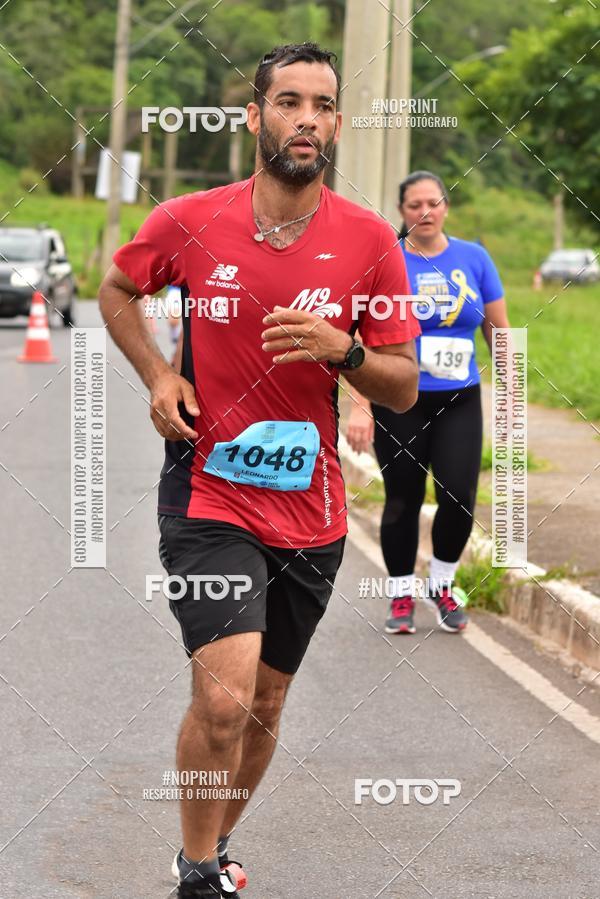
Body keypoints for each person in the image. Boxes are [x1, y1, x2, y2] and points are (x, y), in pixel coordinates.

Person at [99, 43, 420, 899]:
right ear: (255, 117)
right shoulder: (190, 220)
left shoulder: (370, 242)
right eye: (289, 102)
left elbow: (403, 383)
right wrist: (159, 373)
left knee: (267, 703)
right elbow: (118, 289)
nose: (306, 119)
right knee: (225, 696)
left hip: (311, 509)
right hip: (208, 491)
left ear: (337, 125)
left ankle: (218, 833)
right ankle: (198, 869)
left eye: (322, 105)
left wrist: (345, 350)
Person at [347, 170, 510, 636]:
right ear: (402, 212)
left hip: (460, 399)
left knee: (458, 495)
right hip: (399, 400)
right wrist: (360, 406)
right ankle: (401, 593)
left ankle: (441, 584)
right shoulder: (387, 260)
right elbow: (359, 340)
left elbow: (498, 330)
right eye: (415, 205)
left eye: (433, 203)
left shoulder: (474, 258)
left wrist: (512, 392)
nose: (425, 212)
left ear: (446, 207)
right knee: (403, 497)